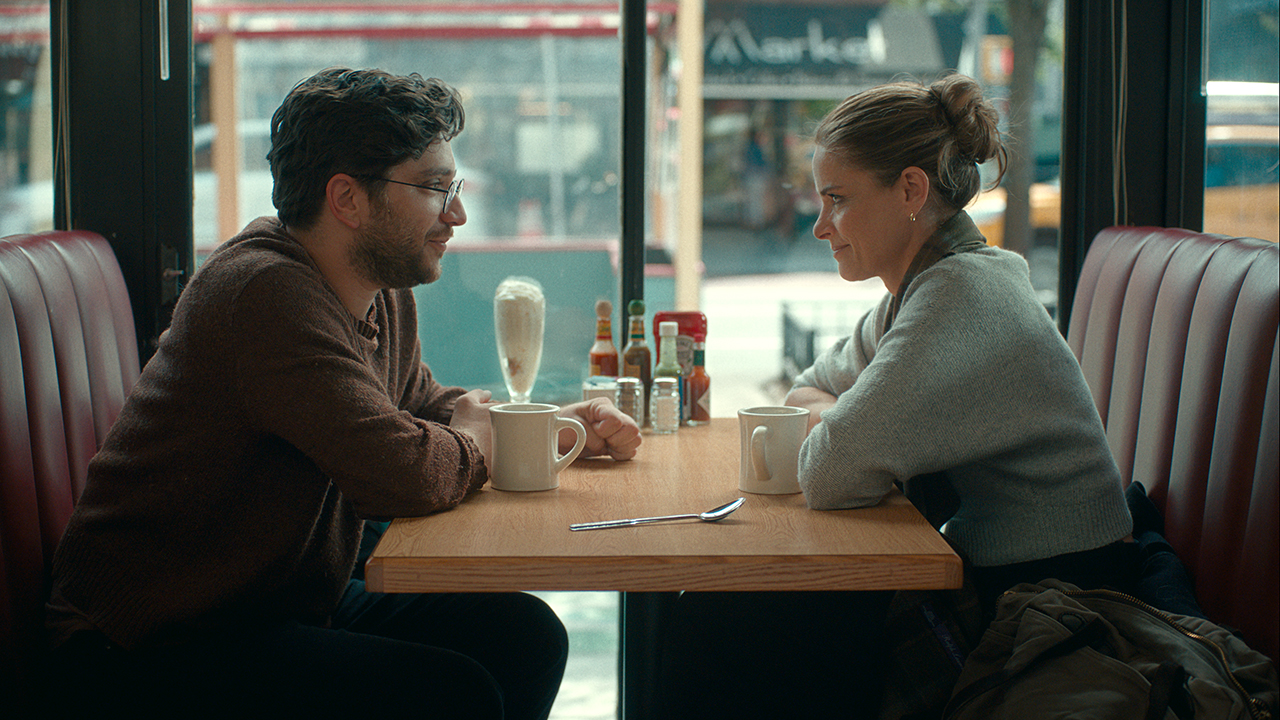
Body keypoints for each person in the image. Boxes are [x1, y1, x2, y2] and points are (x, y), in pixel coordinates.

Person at [43, 67, 641, 718]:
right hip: (147, 641)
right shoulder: (264, 294)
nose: (457, 215)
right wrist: (475, 441)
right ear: (348, 199)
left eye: (454, 187)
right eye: (434, 188)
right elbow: (402, 473)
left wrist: (544, 427)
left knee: (525, 637)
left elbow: (418, 406)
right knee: (455, 696)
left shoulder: (377, 291)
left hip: (274, 602)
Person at [657, 74, 1133, 719]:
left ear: (910, 189)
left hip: (1050, 603)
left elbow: (828, 472)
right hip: (992, 578)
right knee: (729, 619)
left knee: (718, 627)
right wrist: (845, 419)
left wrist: (842, 425)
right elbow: (807, 389)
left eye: (837, 200)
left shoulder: (961, 295)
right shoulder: (922, 288)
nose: (820, 226)